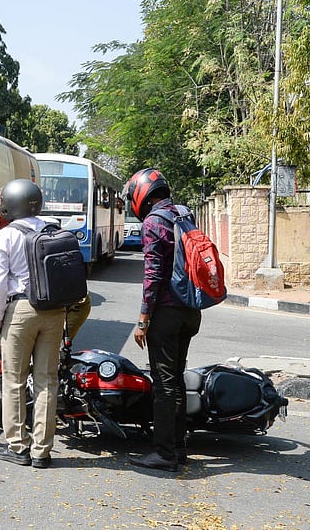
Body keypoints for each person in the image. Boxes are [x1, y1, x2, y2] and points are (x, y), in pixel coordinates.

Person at [126, 167, 201, 473]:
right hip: (191, 310)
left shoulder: (154, 222)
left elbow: (153, 274)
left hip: (167, 314)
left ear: (142, 195)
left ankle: (164, 453)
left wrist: (143, 319)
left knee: (164, 385)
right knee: (176, 380)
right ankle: (179, 448)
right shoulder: (184, 214)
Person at [0, 179, 65, 469]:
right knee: (47, 380)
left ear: (11, 204)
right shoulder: (54, 229)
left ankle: (18, 447)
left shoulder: (6, 236)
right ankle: (42, 452)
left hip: (20, 310)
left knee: (14, 380)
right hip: (54, 311)